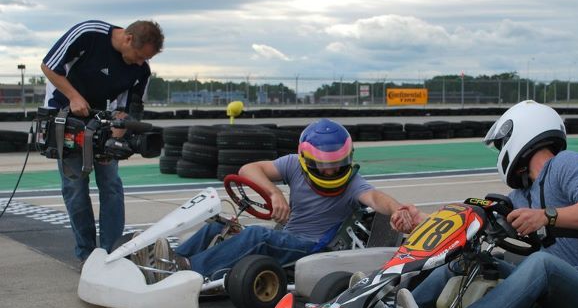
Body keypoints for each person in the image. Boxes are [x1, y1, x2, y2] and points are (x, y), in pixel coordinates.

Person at [395, 100, 578, 308]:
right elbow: (476, 220)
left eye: (502, 143)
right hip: (545, 287)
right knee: (466, 262)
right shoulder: (523, 194)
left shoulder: (567, 163)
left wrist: (546, 216)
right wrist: (424, 220)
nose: (501, 149)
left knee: (540, 262)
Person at [138, 118, 417, 281]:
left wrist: (396, 209)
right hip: (288, 236)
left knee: (257, 236)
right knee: (217, 226)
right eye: (324, 165)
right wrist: (274, 193)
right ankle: (170, 261)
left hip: (313, 250)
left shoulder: (353, 182)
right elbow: (249, 169)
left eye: (337, 163)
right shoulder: (293, 164)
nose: (331, 170)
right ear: (307, 159)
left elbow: (376, 198)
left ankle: (185, 272)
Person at [41, 19, 164, 262]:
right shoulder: (89, 34)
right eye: (139, 55)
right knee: (75, 188)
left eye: (145, 58)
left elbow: (132, 107)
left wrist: (123, 126)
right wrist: (74, 97)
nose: (141, 62)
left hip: (104, 126)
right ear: (127, 38)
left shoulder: (141, 70)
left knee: (111, 186)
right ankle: (87, 254)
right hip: (66, 118)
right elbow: (48, 66)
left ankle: (112, 252)